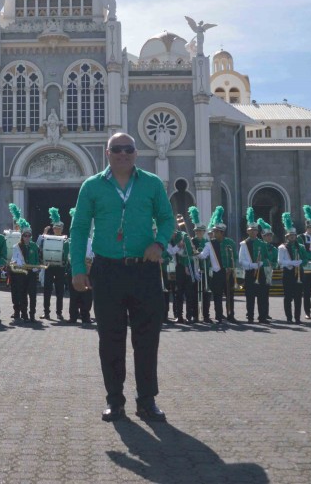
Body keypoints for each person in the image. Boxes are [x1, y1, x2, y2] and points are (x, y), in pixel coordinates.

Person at [70, 132, 174, 423]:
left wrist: (160, 243)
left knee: (147, 338)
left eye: (128, 149)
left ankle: (147, 401)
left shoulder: (152, 184)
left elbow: (166, 219)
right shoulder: (91, 186)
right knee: (111, 339)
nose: (123, 154)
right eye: (117, 149)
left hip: (144, 269)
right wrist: (78, 268)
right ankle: (115, 402)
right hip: (107, 271)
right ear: (107, 153)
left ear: (136, 153)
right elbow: (79, 229)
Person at [201, 206, 237, 324]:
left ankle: (230, 315)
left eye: (216, 231)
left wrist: (231, 268)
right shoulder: (209, 244)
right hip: (217, 273)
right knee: (217, 296)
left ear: (222, 232)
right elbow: (203, 255)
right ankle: (219, 316)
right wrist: (194, 253)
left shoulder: (230, 243)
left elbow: (235, 257)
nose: (214, 233)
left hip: (228, 272)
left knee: (229, 295)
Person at [239, 210, 268, 324]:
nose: (253, 232)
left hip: (260, 272)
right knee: (250, 297)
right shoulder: (243, 244)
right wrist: (252, 265)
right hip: (250, 272)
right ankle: (250, 316)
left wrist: (262, 263)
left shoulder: (262, 243)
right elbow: (241, 261)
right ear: (247, 231)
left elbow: (266, 257)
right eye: (251, 230)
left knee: (262, 296)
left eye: (255, 230)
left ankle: (262, 317)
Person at [39, 208, 68, 320]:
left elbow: (67, 252)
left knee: (60, 290)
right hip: (49, 266)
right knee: (47, 290)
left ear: (62, 229)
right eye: (55, 228)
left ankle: (59, 312)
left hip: (60, 267)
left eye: (59, 228)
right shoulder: (47, 238)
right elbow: (39, 246)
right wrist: (44, 233)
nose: (56, 229)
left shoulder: (65, 239)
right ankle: (46, 312)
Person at [9, 217, 40, 322]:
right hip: (22, 273)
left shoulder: (34, 246)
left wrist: (36, 267)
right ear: (22, 236)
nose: (27, 237)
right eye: (25, 235)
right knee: (22, 294)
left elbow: (37, 259)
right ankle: (24, 314)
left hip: (31, 272)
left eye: (29, 235)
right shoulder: (17, 246)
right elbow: (14, 259)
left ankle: (32, 314)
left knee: (32, 295)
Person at [168, 220, 198, 323]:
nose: (170, 236)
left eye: (171, 234)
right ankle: (179, 316)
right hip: (177, 267)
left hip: (187, 265)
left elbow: (189, 252)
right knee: (178, 293)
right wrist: (178, 246)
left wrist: (185, 265)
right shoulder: (169, 239)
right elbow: (171, 251)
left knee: (189, 292)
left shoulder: (184, 236)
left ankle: (189, 316)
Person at [187, 207, 212, 323]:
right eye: (197, 231)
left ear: (204, 232)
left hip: (205, 269)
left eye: (200, 231)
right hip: (194, 270)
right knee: (194, 294)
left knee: (206, 294)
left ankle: (206, 315)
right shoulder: (192, 241)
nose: (198, 233)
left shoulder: (207, 243)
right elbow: (189, 255)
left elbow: (207, 256)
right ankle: (195, 315)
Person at [278, 213, 304, 324]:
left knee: (298, 298)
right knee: (288, 297)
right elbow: (280, 261)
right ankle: (289, 317)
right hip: (288, 273)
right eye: (290, 235)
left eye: (294, 235)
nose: (292, 237)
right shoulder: (282, 247)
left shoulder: (301, 247)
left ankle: (297, 318)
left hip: (299, 273)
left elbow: (307, 258)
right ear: (287, 237)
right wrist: (292, 263)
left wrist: (302, 261)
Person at [298, 205, 311, 319]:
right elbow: (300, 251)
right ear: (307, 227)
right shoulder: (301, 237)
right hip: (306, 266)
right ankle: (307, 311)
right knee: (306, 290)